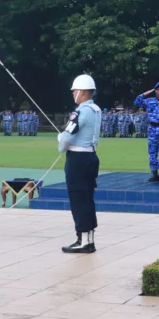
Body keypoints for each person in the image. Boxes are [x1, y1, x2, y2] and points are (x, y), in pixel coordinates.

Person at [58, 75, 102, 254]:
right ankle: (88, 238)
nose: (73, 93)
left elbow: (67, 136)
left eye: (75, 91)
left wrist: (61, 142)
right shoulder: (96, 110)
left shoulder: (80, 112)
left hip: (77, 158)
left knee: (78, 198)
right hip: (91, 156)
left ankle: (82, 240)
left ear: (82, 92)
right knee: (88, 198)